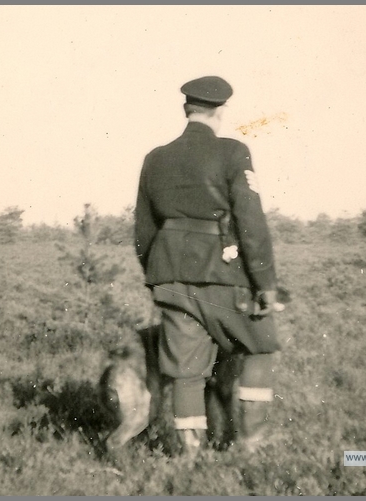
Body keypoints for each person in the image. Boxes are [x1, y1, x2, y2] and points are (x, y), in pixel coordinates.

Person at [134, 75, 281, 457]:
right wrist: (264, 282)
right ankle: (250, 445)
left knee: (186, 371)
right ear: (220, 111)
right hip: (223, 272)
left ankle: (191, 456)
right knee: (259, 346)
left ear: (187, 110)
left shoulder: (156, 157)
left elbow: (143, 229)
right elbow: (251, 221)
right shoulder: (233, 152)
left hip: (169, 274)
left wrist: (159, 276)